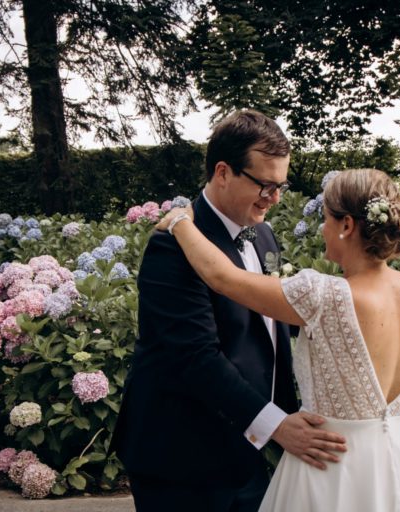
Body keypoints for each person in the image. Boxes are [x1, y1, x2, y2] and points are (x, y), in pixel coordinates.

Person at [157, 168, 400, 511]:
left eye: (326, 219)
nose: (322, 230)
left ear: (347, 226)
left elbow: (222, 277)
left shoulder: (324, 294)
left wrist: (179, 223)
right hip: (397, 462)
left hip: (329, 464)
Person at [111, 110, 346, 512]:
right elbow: (194, 356)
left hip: (246, 449)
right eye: (264, 185)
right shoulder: (172, 245)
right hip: (181, 457)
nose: (273, 199)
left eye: (280, 187)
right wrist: (276, 426)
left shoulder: (264, 236)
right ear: (223, 172)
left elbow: (270, 332)